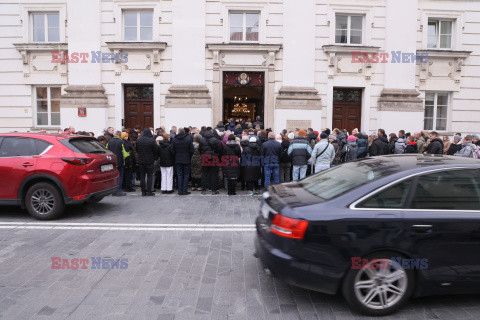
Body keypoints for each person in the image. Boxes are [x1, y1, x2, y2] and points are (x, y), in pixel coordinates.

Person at [199, 127, 223, 195]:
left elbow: (200, 149)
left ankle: (203, 190)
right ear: (211, 132)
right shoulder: (215, 140)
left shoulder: (202, 139)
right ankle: (214, 190)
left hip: (204, 157)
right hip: (214, 157)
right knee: (214, 174)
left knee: (204, 174)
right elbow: (219, 150)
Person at [171, 128, 194, 195]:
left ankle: (180, 190)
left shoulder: (175, 139)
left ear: (178, 132)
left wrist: (175, 156)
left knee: (179, 175)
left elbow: (172, 150)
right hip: (186, 159)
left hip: (178, 159)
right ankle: (184, 190)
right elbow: (192, 150)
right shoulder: (188, 138)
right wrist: (189, 156)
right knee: (186, 175)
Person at [135, 128, 158, 196]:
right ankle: (149, 191)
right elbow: (155, 150)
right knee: (149, 176)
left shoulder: (138, 140)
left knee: (142, 176)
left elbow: (137, 149)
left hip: (141, 160)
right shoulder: (151, 141)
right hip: (150, 160)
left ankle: (143, 191)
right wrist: (154, 157)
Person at [107, 131, 126, 196]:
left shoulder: (109, 142)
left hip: (111, 161)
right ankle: (118, 190)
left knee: (113, 176)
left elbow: (106, 150)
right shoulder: (121, 142)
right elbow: (125, 153)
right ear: (120, 135)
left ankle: (113, 190)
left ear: (115, 135)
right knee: (120, 176)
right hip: (120, 161)